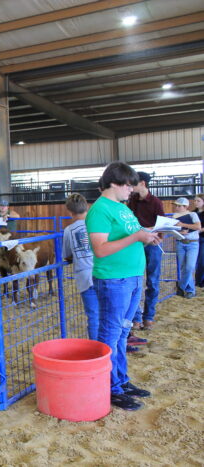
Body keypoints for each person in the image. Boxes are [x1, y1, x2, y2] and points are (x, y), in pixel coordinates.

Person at [86, 161, 160, 411]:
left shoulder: (122, 208)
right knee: (111, 333)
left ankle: (121, 381)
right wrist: (137, 237)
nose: (133, 189)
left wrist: (148, 236)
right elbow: (101, 249)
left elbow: (132, 234)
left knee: (122, 332)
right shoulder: (100, 210)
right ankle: (110, 387)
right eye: (129, 185)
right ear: (115, 184)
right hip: (114, 279)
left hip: (131, 277)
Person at [127, 171, 164, 331]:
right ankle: (136, 318)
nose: (130, 186)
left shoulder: (155, 202)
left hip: (152, 244)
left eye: (133, 183)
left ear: (142, 183)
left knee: (152, 281)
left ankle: (148, 317)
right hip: (136, 243)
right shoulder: (132, 201)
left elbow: (161, 224)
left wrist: (155, 235)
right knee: (133, 280)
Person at [62, 194, 99, 340]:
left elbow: (66, 254)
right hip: (104, 271)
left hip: (84, 276)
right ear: (87, 208)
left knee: (93, 315)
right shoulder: (97, 223)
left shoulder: (69, 230)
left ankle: (97, 349)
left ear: (70, 212)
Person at [172, 197, 201, 298]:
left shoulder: (193, 214)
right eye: (176, 205)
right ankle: (190, 290)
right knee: (184, 267)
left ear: (185, 207)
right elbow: (174, 231)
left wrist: (183, 225)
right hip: (180, 242)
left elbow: (198, 227)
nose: (176, 207)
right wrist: (180, 232)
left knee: (189, 267)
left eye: (179, 206)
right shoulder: (175, 216)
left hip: (192, 243)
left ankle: (181, 285)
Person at [193, 193, 204, 288]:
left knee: (201, 260)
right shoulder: (193, 213)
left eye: (198, 201)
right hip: (195, 238)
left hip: (202, 238)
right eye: (195, 200)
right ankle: (198, 281)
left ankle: (200, 281)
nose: (196, 202)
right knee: (197, 261)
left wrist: (198, 229)